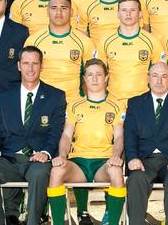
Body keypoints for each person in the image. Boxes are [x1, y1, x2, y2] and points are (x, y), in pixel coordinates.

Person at [0, 45, 66, 225]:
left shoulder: (56, 96)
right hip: (10, 159)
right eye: (26, 63)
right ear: (19, 65)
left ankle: (34, 221)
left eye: (35, 63)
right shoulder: (4, 96)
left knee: (41, 173)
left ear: (41, 66)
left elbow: (55, 131)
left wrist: (46, 153)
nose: (30, 68)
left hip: (37, 160)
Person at [46, 58, 127, 225]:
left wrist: (116, 156)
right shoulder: (75, 106)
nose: (94, 78)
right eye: (90, 75)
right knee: (56, 171)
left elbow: (119, 136)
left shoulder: (116, 105)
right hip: (79, 163)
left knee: (116, 172)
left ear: (106, 77)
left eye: (98, 74)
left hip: (103, 162)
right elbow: (67, 135)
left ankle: (113, 222)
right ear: (84, 78)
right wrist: (62, 155)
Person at [125, 62, 168, 225]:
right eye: (155, 76)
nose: (159, 80)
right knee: (136, 179)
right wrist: (133, 158)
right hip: (143, 159)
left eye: (164, 76)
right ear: (148, 78)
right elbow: (130, 135)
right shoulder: (135, 103)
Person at [24, 0, 97, 104]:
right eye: (54, 8)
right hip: (42, 103)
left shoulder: (84, 42)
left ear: (71, 12)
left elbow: (93, 76)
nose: (58, 12)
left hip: (73, 103)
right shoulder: (33, 41)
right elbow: (27, 75)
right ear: (47, 12)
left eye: (64, 8)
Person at [98, 0, 164, 100]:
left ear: (140, 14)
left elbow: (161, 74)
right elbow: (98, 74)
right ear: (118, 14)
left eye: (132, 10)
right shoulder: (105, 41)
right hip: (114, 101)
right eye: (124, 10)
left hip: (142, 102)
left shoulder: (152, 41)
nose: (128, 14)